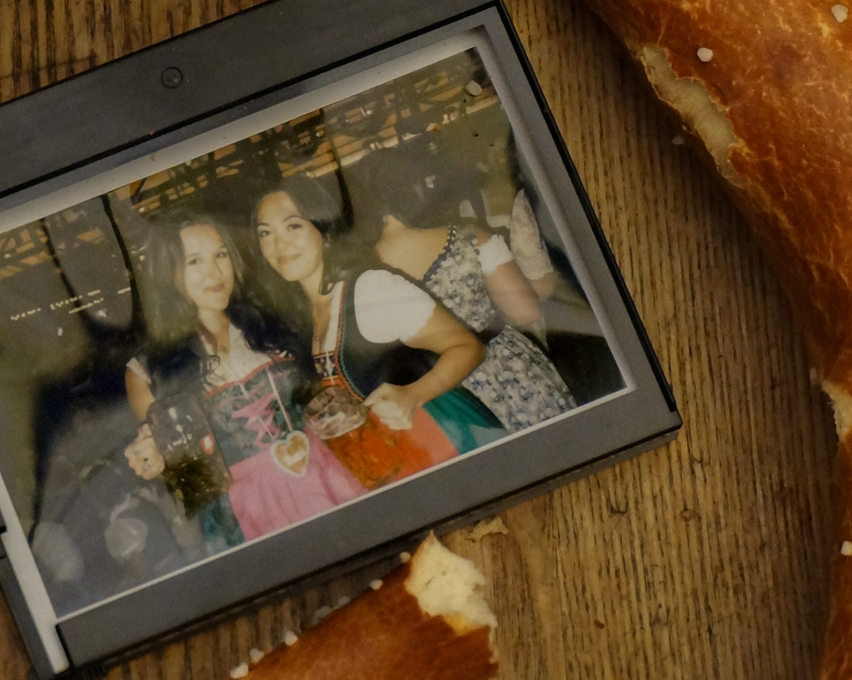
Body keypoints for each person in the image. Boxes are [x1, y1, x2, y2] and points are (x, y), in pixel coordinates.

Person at [123, 214, 366, 543]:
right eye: (195, 261)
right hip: (250, 510)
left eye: (221, 255)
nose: (215, 272)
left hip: (329, 474)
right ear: (167, 274)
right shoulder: (146, 371)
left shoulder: (272, 320)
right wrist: (152, 457)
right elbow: (169, 455)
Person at [251, 176, 503, 486]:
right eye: (266, 233)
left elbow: (468, 347)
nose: (279, 244)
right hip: (381, 466)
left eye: (293, 226)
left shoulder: (372, 291)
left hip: (439, 441)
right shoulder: (301, 316)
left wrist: (413, 394)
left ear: (324, 228)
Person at [349, 148, 576, 431]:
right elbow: (525, 311)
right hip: (506, 370)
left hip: (437, 394)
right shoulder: (470, 238)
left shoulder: (363, 272)